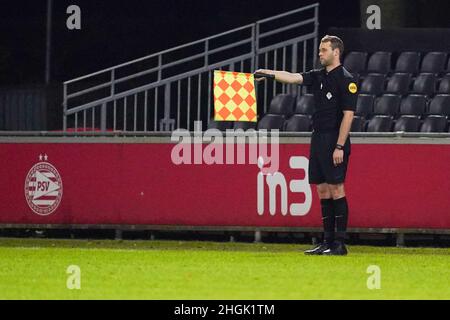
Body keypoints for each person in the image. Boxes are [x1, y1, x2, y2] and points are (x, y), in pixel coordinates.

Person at [255, 35, 357, 255]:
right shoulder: (318, 75)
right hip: (318, 137)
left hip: (334, 139)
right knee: (321, 189)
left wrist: (339, 146)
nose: (320, 54)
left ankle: (340, 244)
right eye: (320, 50)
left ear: (336, 52)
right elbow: (292, 77)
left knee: (337, 188)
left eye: (324, 50)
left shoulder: (347, 80)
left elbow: (349, 116)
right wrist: (269, 73)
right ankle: (327, 242)